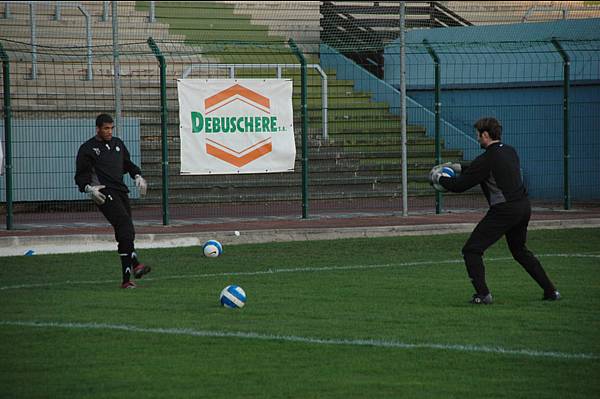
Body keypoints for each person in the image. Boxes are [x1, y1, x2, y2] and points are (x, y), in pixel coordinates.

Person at [429, 117, 560, 304]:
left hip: (504, 210)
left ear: (485, 135)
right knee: (520, 251)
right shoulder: (509, 151)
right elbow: (478, 167)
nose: (477, 139)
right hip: (523, 206)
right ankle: (551, 291)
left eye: (478, 135)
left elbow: (460, 185)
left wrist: (439, 178)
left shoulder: (487, 159)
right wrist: (453, 167)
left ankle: (483, 295)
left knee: (472, 250)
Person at [75, 113, 151, 289]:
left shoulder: (118, 144)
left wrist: (137, 175)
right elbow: (80, 176)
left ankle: (134, 267)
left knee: (127, 231)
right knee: (124, 225)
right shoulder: (87, 149)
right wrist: (88, 189)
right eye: (106, 128)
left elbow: (127, 164)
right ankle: (129, 276)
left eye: (111, 128)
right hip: (103, 192)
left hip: (120, 191)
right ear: (98, 129)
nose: (109, 131)